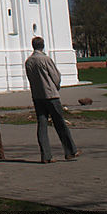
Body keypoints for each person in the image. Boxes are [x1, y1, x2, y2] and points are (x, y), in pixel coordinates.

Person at [25, 36, 79, 164]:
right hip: (51, 96)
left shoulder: (28, 61)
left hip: (37, 96)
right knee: (59, 122)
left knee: (42, 125)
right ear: (42, 45)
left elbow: (30, 78)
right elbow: (56, 76)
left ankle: (46, 155)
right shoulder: (45, 59)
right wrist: (56, 86)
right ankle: (70, 151)